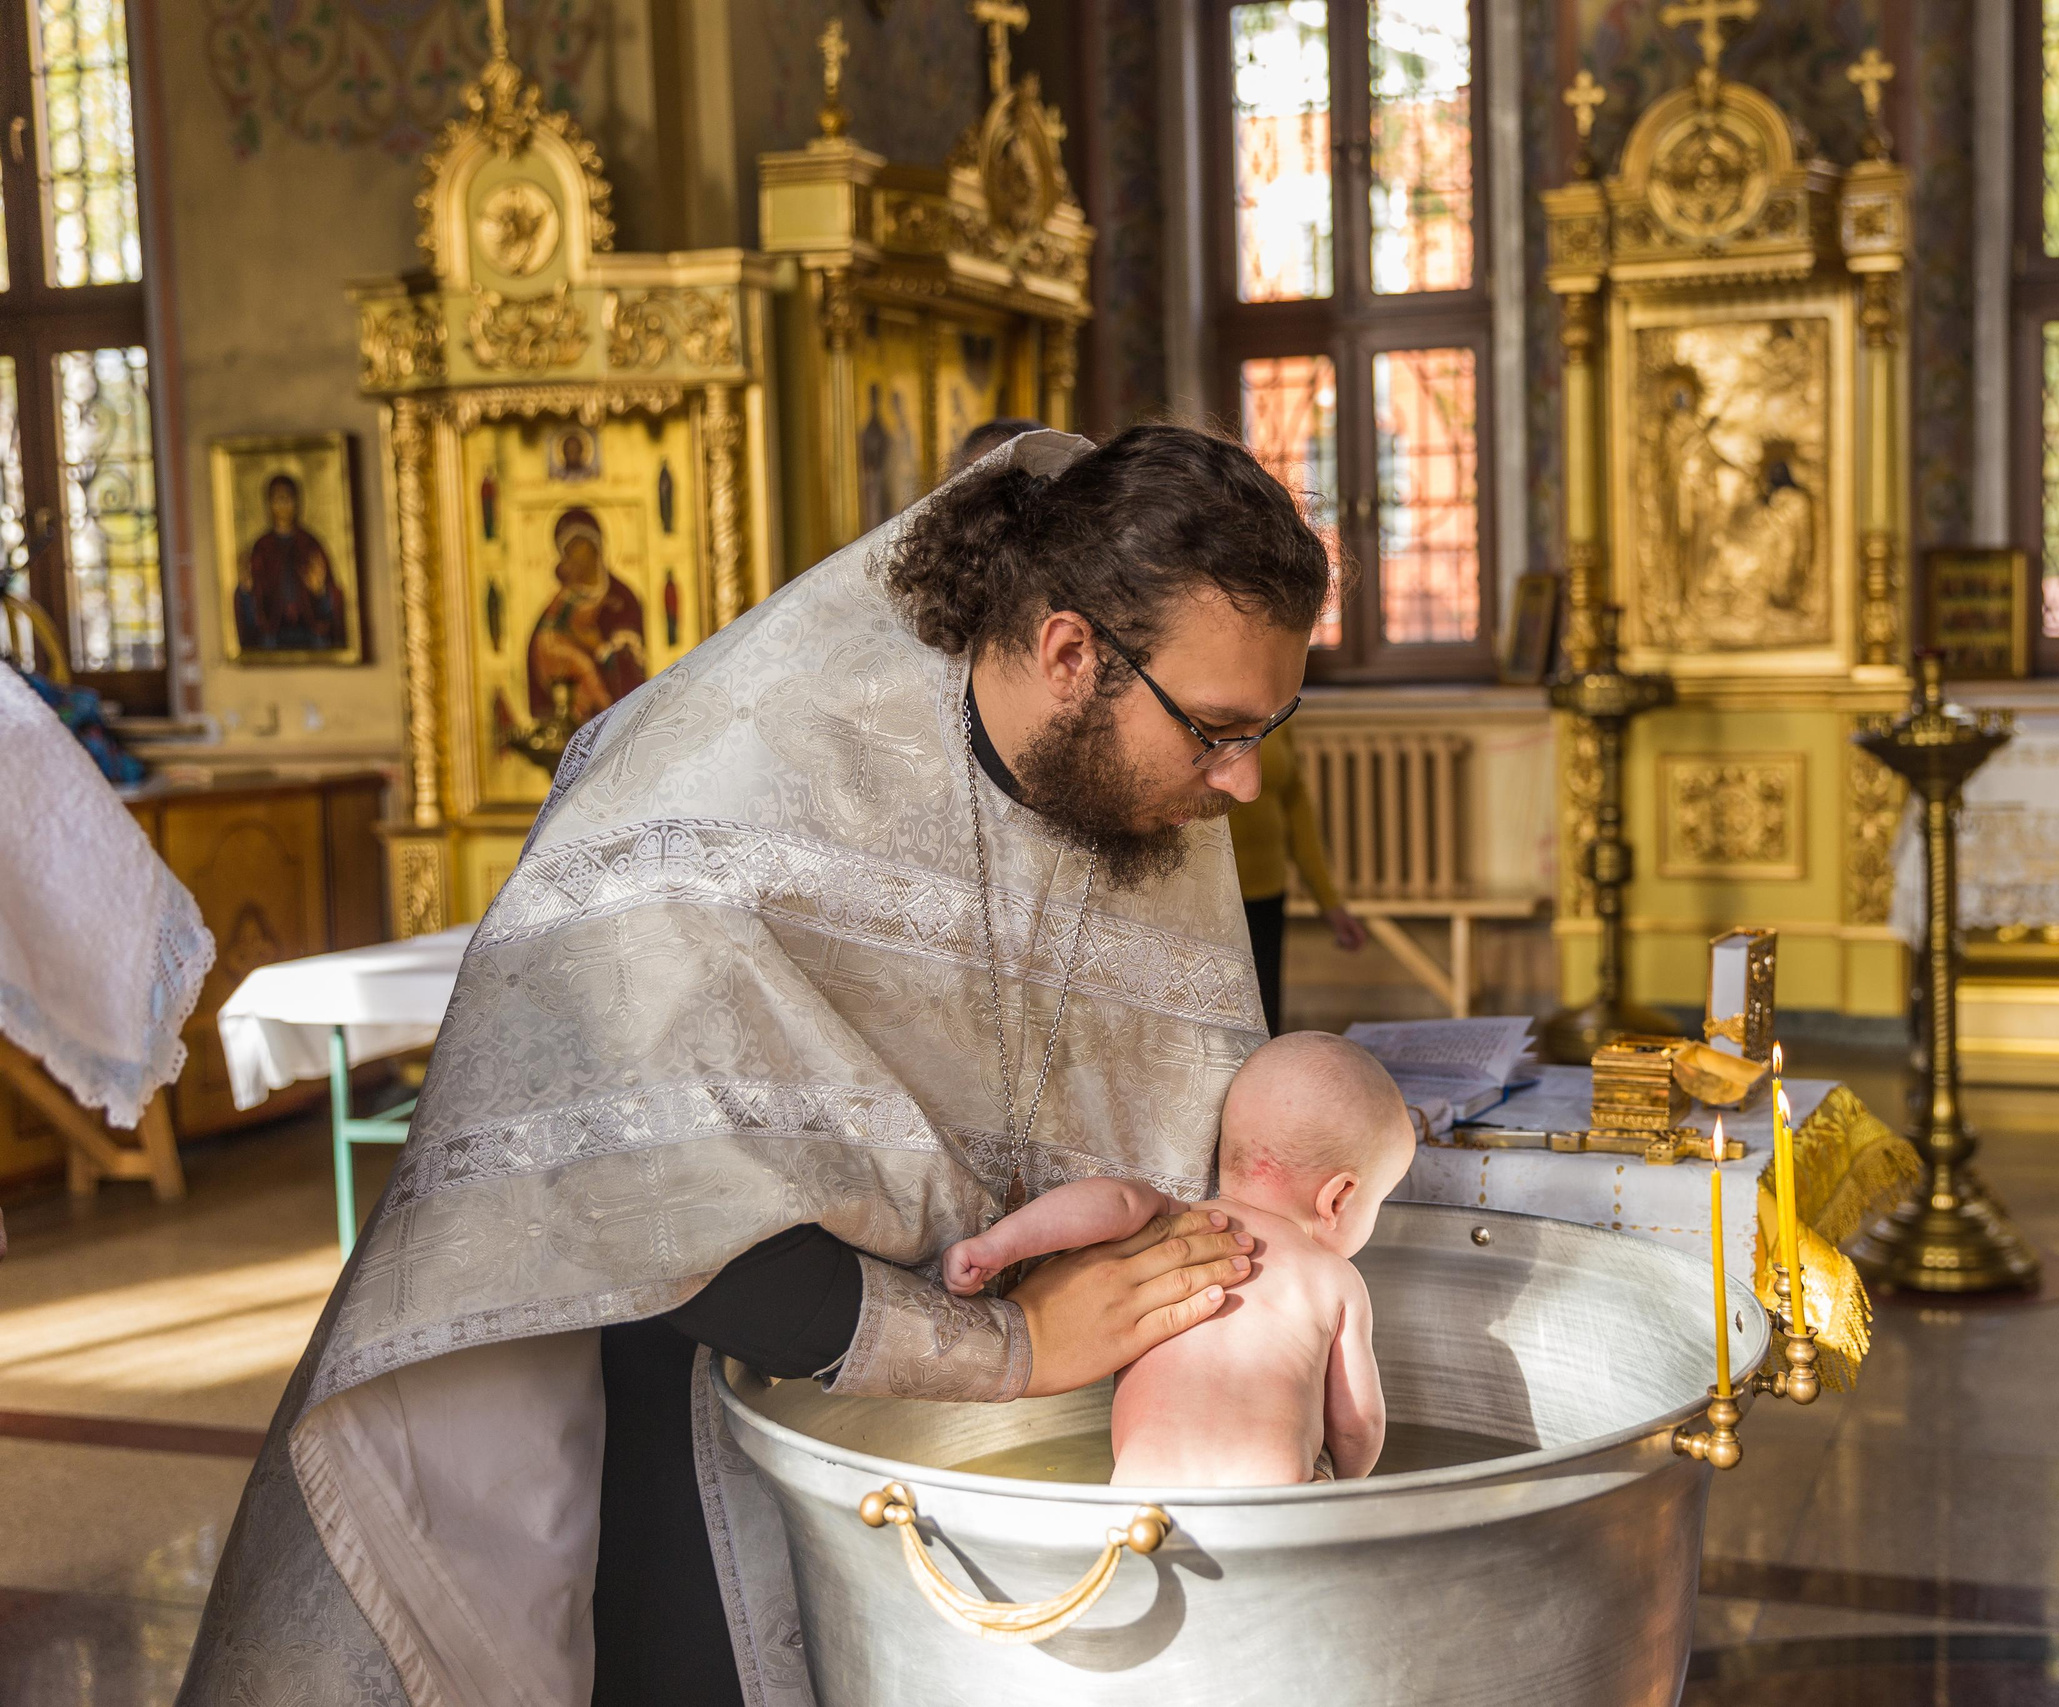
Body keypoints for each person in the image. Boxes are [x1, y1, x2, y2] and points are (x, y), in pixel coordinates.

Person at [177, 425, 1332, 1707]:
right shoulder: (722, 782)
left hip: (1015, 1402)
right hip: (713, 1393)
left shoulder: (1142, 787)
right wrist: (1006, 1347)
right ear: (1071, 654)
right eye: (1219, 730)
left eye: (1267, 726)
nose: (1243, 779)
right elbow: (634, 1201)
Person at [943, 1030, 1414, 1486]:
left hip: (1140, 1489)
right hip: (1272, 1492)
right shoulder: (1334, 1279)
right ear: (1338, 1198)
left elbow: (1100, 1202)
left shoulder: (1172, 1221)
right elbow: (1357, 1423)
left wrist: (999, 1246)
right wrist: (1346, 1482)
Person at [1228, 719, 1366, 1027]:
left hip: (1267, 895)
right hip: (1205, 902)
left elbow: (1295, 804)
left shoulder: (1274, 711)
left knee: (1265, 1022)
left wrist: (1329, 901)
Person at [526, 506, 649, 724]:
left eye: (577, 545)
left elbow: (631, 660)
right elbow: (539, 648)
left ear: (595, 547)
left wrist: (600, 648)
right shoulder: (563, 599)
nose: (571, 555)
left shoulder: (621, 599)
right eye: (567, 549)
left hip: (615, 716)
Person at [233, 473, 348, 652]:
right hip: (272, 632)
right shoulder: (262, 547)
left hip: (310, 628)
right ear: (269, 503)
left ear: (297, 502)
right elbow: (251, 598)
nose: (283, 505)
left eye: (288, 498)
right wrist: (246, 590)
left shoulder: (310, 543)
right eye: (278, 499)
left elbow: (332, 595)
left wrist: (321, 592)